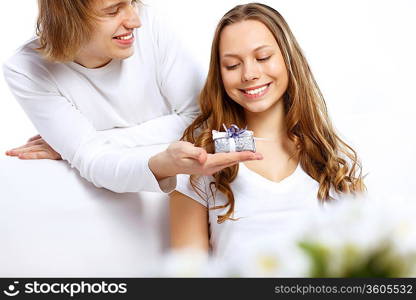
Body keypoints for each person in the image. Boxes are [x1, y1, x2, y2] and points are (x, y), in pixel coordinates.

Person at [170, 3, 365, 259]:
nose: (249, 74)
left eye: (262, 58)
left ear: (287, 58)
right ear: (220, 75)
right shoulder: (200, 162)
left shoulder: (332, 159)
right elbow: (187, 277)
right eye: (232, 65)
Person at [3, 0, 262, 193]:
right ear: (68, 18)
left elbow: (201, 119)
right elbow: (94, 162)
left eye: (132, 2)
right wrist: (159, 161)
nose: (135, 21)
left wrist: (90, 142)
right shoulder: (26, 69)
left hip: (193, 195)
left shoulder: (150, 24)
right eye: (113, 10)